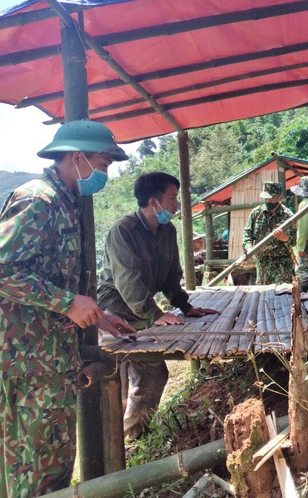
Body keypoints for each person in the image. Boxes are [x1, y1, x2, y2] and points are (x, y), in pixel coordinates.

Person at [0, 119, 136, 496]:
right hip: (30, 360)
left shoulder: (66, 201)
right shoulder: (39, 199)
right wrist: (67, 303)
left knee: (48, 461)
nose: (105, 172)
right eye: (103, 164)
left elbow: (54, 276)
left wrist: (99, 314)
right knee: (36, 466)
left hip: (49, 356)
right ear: (78, 157)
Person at [97, 172, 220, 440]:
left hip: (142, 314)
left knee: (151, 374)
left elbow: (170, 274)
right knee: (114, 379)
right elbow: (127, 279)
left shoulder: (167, 229)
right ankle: (114, 441)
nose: (176, 204)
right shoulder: (123, 230)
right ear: (154, 202)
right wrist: (155, 314)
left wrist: (184, 305)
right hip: (113, 312)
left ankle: (132, 436)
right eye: (173, 198)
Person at [242, 181, 297, 285]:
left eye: (271, 198)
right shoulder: (256, 213)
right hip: (263, 263)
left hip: (282, 263)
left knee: (282, 294)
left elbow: (294, 241)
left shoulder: (288, 216)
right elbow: (247, 234)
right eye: (266, 197)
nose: (268, 200)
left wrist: (286, 238)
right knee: (263, 293)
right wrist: (249, 248)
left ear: (279, 197)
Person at [292, 176, 308, 292]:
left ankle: (301, 296)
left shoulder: (304, 205)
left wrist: (300, 246)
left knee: (303, 271)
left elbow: (303, 228)